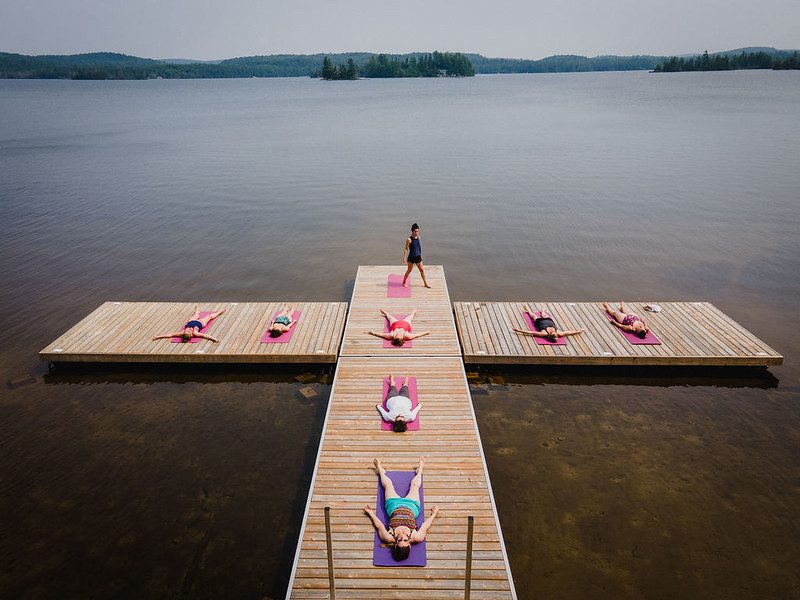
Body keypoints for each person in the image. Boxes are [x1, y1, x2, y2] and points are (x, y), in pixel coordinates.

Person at [364, 457, 439, 561]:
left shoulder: (389, 537)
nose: (403, 536)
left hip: (393, 506)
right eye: (405, 539)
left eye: (400, 539)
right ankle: (420, 469)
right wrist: (434, 514)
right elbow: (425, 526)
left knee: (388, 485)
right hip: (412, 507)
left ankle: (380, 470)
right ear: (409, 545)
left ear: (395, 545)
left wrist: (371, 514)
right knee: (415, 486)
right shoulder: (416, 537)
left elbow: (379, 525)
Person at [152, 305, 225, 343]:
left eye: (187, 331)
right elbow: (205, 336)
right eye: (188, 332)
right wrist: (215, 339)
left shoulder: (182, 333)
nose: (188, 331)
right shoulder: (195, 333)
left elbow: (170, 335)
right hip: (200, 323)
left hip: (191, 322)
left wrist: (158, 336)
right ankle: (219, 312)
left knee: (196, 315)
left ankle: (197, 310)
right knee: (209, 316)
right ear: (191, 335)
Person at [513, 304, 585, 342]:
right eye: (556, 334)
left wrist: (518, 330)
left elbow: (531, 332)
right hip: (548, 320)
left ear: (550, 335)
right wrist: (579, 331)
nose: (555, 332)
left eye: (554, 334)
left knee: (533, 315)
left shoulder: (544, 333)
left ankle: (527, 308)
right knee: (544, 314)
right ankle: (542, 310)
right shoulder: (559, 333)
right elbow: (569, 332)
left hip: (540, 322)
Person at [366, 308, 431, 347]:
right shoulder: (407, 336)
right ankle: (413, 312)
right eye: (399, 337)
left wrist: (372, 332)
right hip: (405, 324)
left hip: (395, 324)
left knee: (391, 317)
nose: (398, 336)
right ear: (402, 339)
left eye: (397, 337)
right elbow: (417, 335)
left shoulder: (391, 335)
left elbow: (381, 335)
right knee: (409, 318)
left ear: (395, 338)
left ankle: (386, 313)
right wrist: (426, 332)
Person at [401, 223, 430, 288]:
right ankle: (404, 282)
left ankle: (425, 283)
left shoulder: (419, 237)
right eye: (415, 231)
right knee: (409, 270)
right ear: (412, 231)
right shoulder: (409, 239)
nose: (417, 232)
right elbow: (406, 249)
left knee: (422, 270)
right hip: (411, 258)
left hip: (418, 257)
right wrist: (404, 258)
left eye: (418, 231)